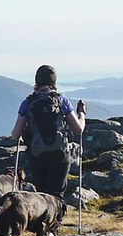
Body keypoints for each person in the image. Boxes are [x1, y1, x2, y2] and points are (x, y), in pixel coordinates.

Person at [10, 65, 86, 199]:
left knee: (42, 196)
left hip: (37, 155)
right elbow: (78, 129)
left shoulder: (28, 103)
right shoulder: (61, 101)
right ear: (54, 82)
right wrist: (81, 113)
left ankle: (42, 219)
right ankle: (56, 218)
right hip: (60, 154)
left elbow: (16, 134)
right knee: (56, 196)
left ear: (37, 82)